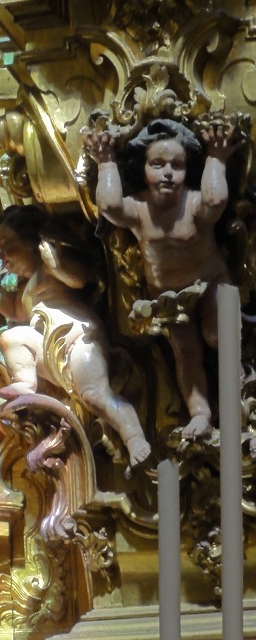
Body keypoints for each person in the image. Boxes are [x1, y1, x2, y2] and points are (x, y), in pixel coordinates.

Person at [83, 117, 243, 440]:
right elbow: (110, 205)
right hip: (170, 298)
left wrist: (216, 156)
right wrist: (106, 161)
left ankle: (237, 393)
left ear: (188, 170)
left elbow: (216, 201)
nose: (168, 172)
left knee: (218, 335)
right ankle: (200, 414)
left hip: (212, 282)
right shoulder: (139, 209)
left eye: (177, 165)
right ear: (143, 169)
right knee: (185, 353)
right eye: (157, 164)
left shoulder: (194, 202)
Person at [0, 204, 152, 468]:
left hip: (78, 339)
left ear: (31, 241)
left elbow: (79, 279)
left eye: (7, 247)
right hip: (48, 349)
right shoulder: (26, 291)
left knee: (94, 396)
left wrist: (56, 264)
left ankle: (134, 436)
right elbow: (13, 310)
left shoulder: (48, 269)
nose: (2, 258)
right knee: (10, 338)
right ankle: (25, 382)